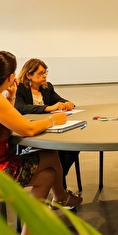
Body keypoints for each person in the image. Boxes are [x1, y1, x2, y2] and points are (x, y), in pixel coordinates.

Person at [0, 51, 82, 235]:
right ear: (11, 76)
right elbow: (27, 128)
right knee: (50, 155)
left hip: (1, 161)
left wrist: (10, 97)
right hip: (0, 169)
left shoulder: (4, 98)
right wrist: (52, 119)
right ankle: (61, 197)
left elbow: (6, 120)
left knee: (48, 174)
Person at [15, 58, 79, 189]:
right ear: (28, 75)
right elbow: (21, 107)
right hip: (31, 132)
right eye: (40, 73)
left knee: (73, 148)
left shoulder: (47, 87)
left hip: (49, 129)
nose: (44, 76)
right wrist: (48, 108)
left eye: (45, 72)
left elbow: (58, 100)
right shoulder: (20, 88)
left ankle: (59, 179)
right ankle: (60, 188)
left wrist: (67, 103)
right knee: (54, 152)